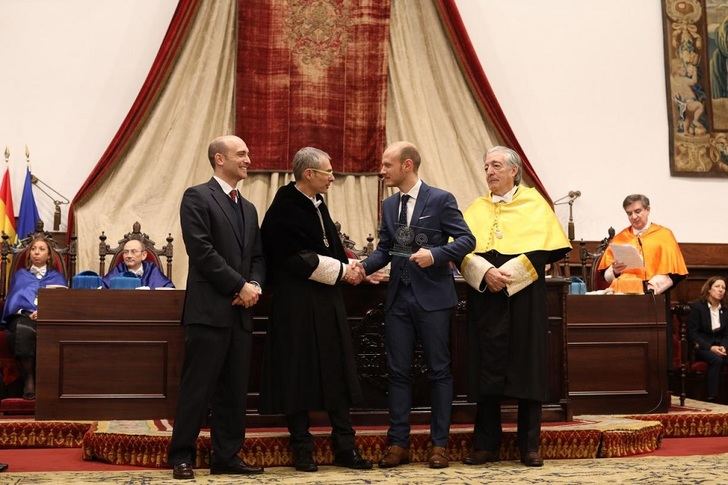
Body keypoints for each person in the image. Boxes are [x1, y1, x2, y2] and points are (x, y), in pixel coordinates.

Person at [360, 141, 475, 469]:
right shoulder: (389, 205)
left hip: (434, 299)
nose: (382, 171)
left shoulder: (441, 199)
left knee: (439, 370)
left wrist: (436, 255)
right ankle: (398, 443)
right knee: (396, 372)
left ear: (407, 165)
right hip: (398, 299)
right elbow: (385, 249)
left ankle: (439, 445)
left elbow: (467, 240)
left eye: (387, 165)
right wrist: (361, 268)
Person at [259, 147, 372, 473]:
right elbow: (290, 256)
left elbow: (329, 248)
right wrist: (341, 271)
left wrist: (353, 266)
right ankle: (302, 448)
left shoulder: (318, 203)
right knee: (297, 373)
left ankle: (345, 447)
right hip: (295, 304)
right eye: (328, 172)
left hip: (326, 303)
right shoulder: (285, 206)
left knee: (337, 371)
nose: (333, 177)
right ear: (309, 174)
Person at [458, 146, 570, 467]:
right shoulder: (475, 208)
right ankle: (485, 444)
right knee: (486, 368)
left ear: (513, 171)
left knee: (528, 367)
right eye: (486, 167)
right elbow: (461, 250)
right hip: (485, 296)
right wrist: (484, 273)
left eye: (496, 166)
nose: (489, 172)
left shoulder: (535, 204)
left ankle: (530, 446)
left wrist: (506, 277)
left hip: (524, 297)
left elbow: (543, 252)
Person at [167, 135, 265, 480]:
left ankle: (226, 456)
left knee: (234, 391)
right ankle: (182, 456)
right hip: (209, 312)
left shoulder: (250, 208)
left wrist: (254, 286)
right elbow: (202, 251)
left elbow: (257, 257)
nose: (248, 159)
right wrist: (238, 285)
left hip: (240, 314)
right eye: (242, 153)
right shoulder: (197, 197)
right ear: (219, 159)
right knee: (198, 388)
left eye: (247, 153)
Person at [1, 236, 66, 400]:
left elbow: (63, 302)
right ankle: (29, 377)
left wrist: (45, 311)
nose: (36, 252)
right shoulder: (20, 275)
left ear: (49, 256)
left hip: (49, 318)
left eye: (41, 249)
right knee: (23, 329)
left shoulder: (56, 277)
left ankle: (47, 383)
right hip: (22, 316)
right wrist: (26, 311)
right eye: (33, 249)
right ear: (29, 254)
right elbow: (13, 299)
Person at [597, 194, 688, 295]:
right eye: (629, 213)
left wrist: (650, 288)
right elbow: (606, 276)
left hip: (655, 295)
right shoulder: (620, 238)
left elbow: (675, 273)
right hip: (623, 295)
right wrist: (614, 271)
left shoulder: (665, 235)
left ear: (647, 210)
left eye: (637, 211)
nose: (634, 217)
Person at [687, 276, 728, 401]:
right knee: (717, 360)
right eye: (717, 286)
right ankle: (713, 397)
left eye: (723, 288)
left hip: (720, 346)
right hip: (702, 347)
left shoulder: (725, 310)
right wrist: (711, 348)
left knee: (720, 357)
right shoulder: (697, 307)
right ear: (709, 289)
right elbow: (692, 333)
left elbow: (727, 334)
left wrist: (723, 346)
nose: (721, 290)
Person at [101, 239, 174, 289]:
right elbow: (102, 289)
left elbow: (169, 289)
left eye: (133, 251)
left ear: (144, 255)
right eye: (126, 252)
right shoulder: (118, 269)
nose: (129, 256)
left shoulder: (151, 269)